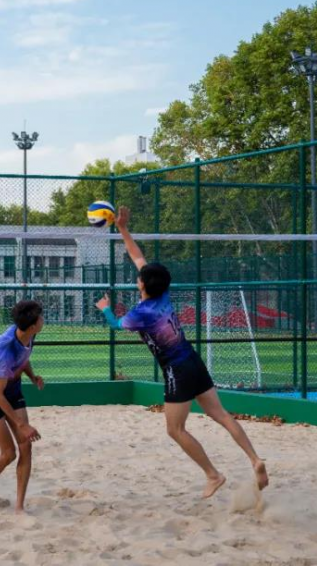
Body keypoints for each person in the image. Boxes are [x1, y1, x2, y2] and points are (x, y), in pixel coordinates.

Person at [97, 206, 269, 498]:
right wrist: (123, 229)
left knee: (175, 430)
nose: (138, 276)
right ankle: (255, 459)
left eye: (139, 277)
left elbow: (115, 325)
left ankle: (213, 475)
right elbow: (138, 257)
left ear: (142, 284)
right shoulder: (163, 294)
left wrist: (105, 309)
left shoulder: (140, 314)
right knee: (221, 414)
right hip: (193, 361)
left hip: (177, 371)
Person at [0, 300, 44, 513]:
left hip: (11, 385)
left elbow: (24, 357)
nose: (43, 320)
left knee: (26, 446)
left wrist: (32, 376)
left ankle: (19, 507)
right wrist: (22, 425)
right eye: (41, 317)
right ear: (32, 325)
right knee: (9, 453)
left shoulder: (28, 334)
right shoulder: (6, 347)